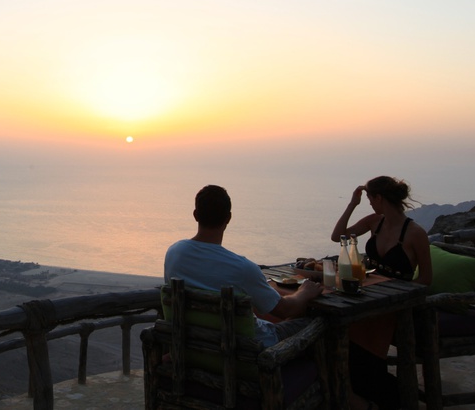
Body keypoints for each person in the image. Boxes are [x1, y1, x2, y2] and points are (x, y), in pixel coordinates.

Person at [164, 184, 323, 348]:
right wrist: (304, 292)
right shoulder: (242, 268)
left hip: (196, 347)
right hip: (249, 350)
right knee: (317, 322)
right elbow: (285, 310)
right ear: (228, 218)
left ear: (195, 215)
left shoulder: (174, 253)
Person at [330, 175, 433, 410]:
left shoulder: (415, 233)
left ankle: (378, 393)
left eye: (368, 199)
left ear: (379, 198)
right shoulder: (374, 222)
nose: (368, 203)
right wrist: (351, 205)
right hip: (369, 296)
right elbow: (338, 237)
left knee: (355, 331)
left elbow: (426, 279)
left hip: (397, 304)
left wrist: (394, 291)